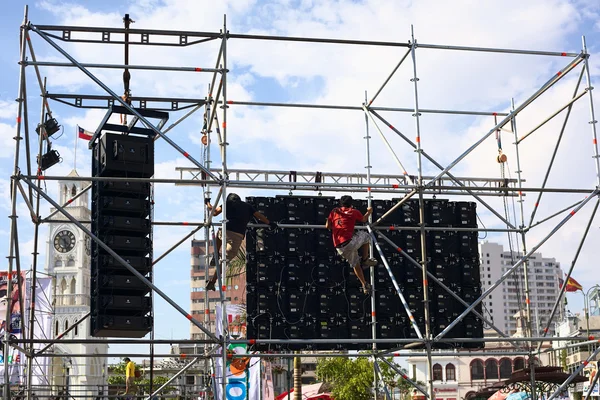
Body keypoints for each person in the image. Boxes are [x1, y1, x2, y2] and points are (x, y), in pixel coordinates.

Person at [205, 193, 276, 291]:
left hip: (226, 230)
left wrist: (207, 203)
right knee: (225, 260)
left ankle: (216, 253)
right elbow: (259, 216)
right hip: (237, 236)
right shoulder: (247, 206)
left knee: (219, 234)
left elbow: (214, 212)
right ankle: (212, 282)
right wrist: (269, 223)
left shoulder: (227, 204)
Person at [326, 195, 378, 294]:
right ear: (351, 203)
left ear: (340, 203)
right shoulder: (353, 211)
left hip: (339, 247)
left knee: (355, 264)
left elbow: (327, 226)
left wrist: (337, 227)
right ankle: (365, 259)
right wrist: (369, 212)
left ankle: (364, 284)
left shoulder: (334, 211)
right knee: (366, 236)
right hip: (349, 243)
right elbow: (363, 220)